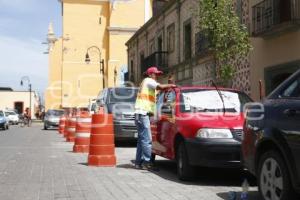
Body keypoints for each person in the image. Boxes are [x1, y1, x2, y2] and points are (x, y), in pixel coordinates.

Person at [134, 66, 176, 170]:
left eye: (157, 75)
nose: (156, 76)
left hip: (140, 113)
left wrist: (168, 84)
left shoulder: (146, 83)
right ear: (150, 74)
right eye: (155, 74)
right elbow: (160, 87)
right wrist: (171, 85)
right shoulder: (148, 80)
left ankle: (138, 162)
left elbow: (161, 93)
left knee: (141, 140)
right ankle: (147, 163)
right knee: (147, 139)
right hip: (142, 114)